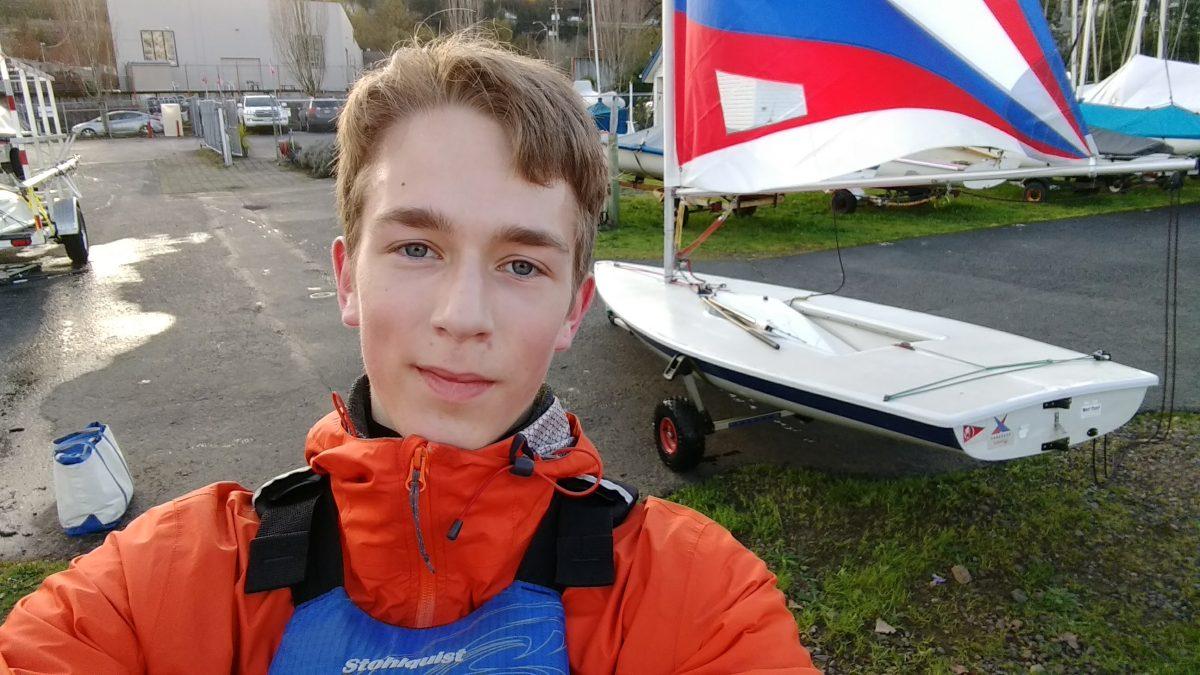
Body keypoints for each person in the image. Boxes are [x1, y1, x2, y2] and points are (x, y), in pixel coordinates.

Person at [0, 36, 819, 674]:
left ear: (575, 307)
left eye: (522, 264)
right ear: (347, 277)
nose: (462, 317)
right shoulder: (173, 587)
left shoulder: (691, 596)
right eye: (418, 248)